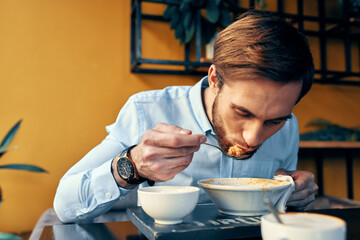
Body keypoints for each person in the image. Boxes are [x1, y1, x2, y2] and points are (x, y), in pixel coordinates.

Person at [54, 10, 318, 223]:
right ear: (215, 79)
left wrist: (294, 192)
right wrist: (132, 165)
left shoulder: (288, 128)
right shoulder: (147, 110)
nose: (253, 137)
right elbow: (65, 205)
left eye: (274, 120)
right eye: (242, 112)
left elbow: (278, 209)